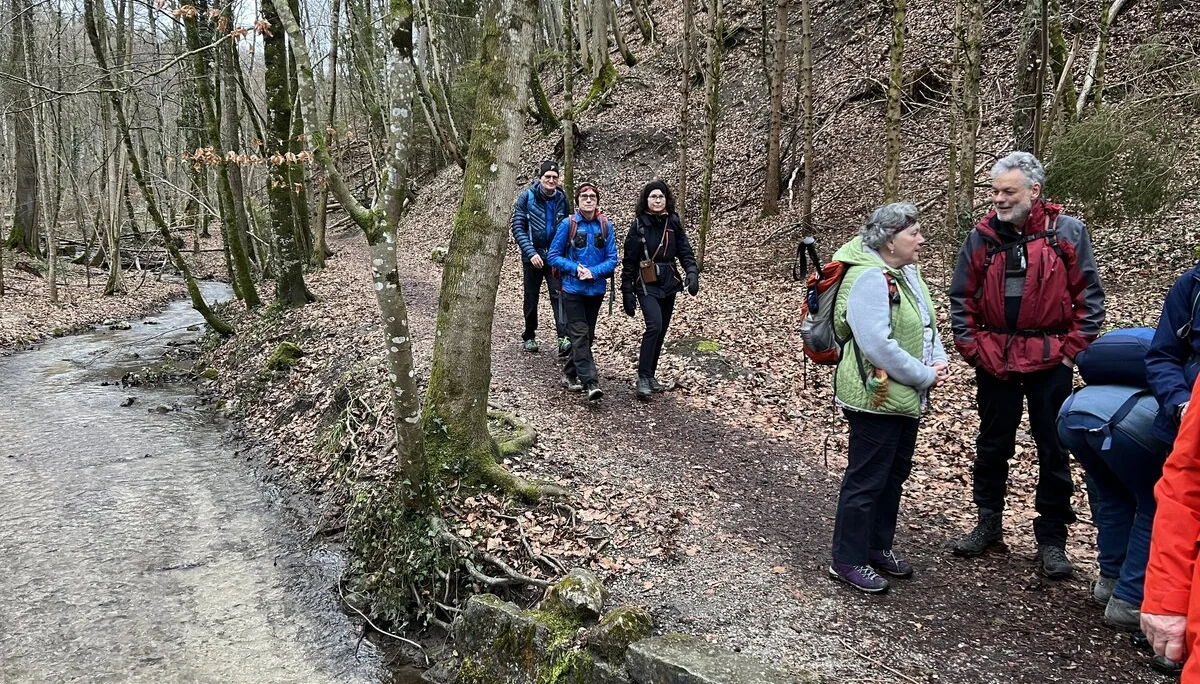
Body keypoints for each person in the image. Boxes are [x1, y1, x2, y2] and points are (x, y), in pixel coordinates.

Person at [948, 151, 1105, 578]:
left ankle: (1052, 538)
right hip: (994, 358)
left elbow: (1089, 297)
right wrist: (972, 348)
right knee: (993, 442)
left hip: (1050, 359)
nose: (998, 199)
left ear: (1034, 191)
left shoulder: (1066, 232)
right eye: (995, 191)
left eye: (1008, 192)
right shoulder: (981, 238)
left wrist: (1071, 352)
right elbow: (961, 297)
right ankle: (988, 522)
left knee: (1053, 447)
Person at [827, 202, 948, 594]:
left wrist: (939, 360)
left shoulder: (907, 273)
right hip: (874, 395)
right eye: (914, 233)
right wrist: (924, 375)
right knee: (867, 478)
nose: (922, 239)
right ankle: (847, 559)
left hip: (903, 395)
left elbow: (926, 325)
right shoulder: (869, 278)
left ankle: (876, 547)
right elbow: (877, 345)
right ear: (890, 240)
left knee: (893, 474)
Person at [1056, 386, 1165, 630]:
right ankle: (1129, 599)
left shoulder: (1140, 375)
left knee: (1114, 497)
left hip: (1073, 413)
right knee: (1153, 506)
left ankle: (1109, 581)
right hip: (1122, 426)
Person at [1138, 263, 1200, 671]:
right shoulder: (1192, 285)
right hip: (1180, 422)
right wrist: (1181, 404)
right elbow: (1162, 354)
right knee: (1153, 504)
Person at [619, 180, 699, 399]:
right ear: (646, 200)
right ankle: (643, 378)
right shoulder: (638, 225)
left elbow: (685, 251)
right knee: (654, 326)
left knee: (662, 329)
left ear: (666, 199)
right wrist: (627, 291)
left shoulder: (673, 222)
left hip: (669, 282)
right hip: (646, 282)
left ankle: (651, 375)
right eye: (653, 196)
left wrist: (692, 273)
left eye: (661, 196)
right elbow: (629, 261)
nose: (657, 200)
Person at [548, 182, 618, 401]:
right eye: (584, 197)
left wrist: (593, 272)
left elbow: (612, 259)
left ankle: (569, 373)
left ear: (597, 201)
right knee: (579, 334)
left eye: (592, 197)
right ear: (577, 201)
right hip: (572, 289)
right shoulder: (567, 224)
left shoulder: (605, 226)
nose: (588, 200)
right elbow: (553, 256)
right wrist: (575, 269)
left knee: (587, 336)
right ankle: (591, 382)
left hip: (595, 290)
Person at [511, 160, 571, 355]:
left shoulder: (562, 198)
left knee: (559, 295)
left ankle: (563, 337)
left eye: (555, 177)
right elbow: (518, 228)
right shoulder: (527, 197)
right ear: (540, 178)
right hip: (532, 256)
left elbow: (568, 227)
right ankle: (529, 335)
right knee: (531, 297)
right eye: (548, 177)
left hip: (554, 257)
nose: (551, 180)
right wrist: (531, 252)